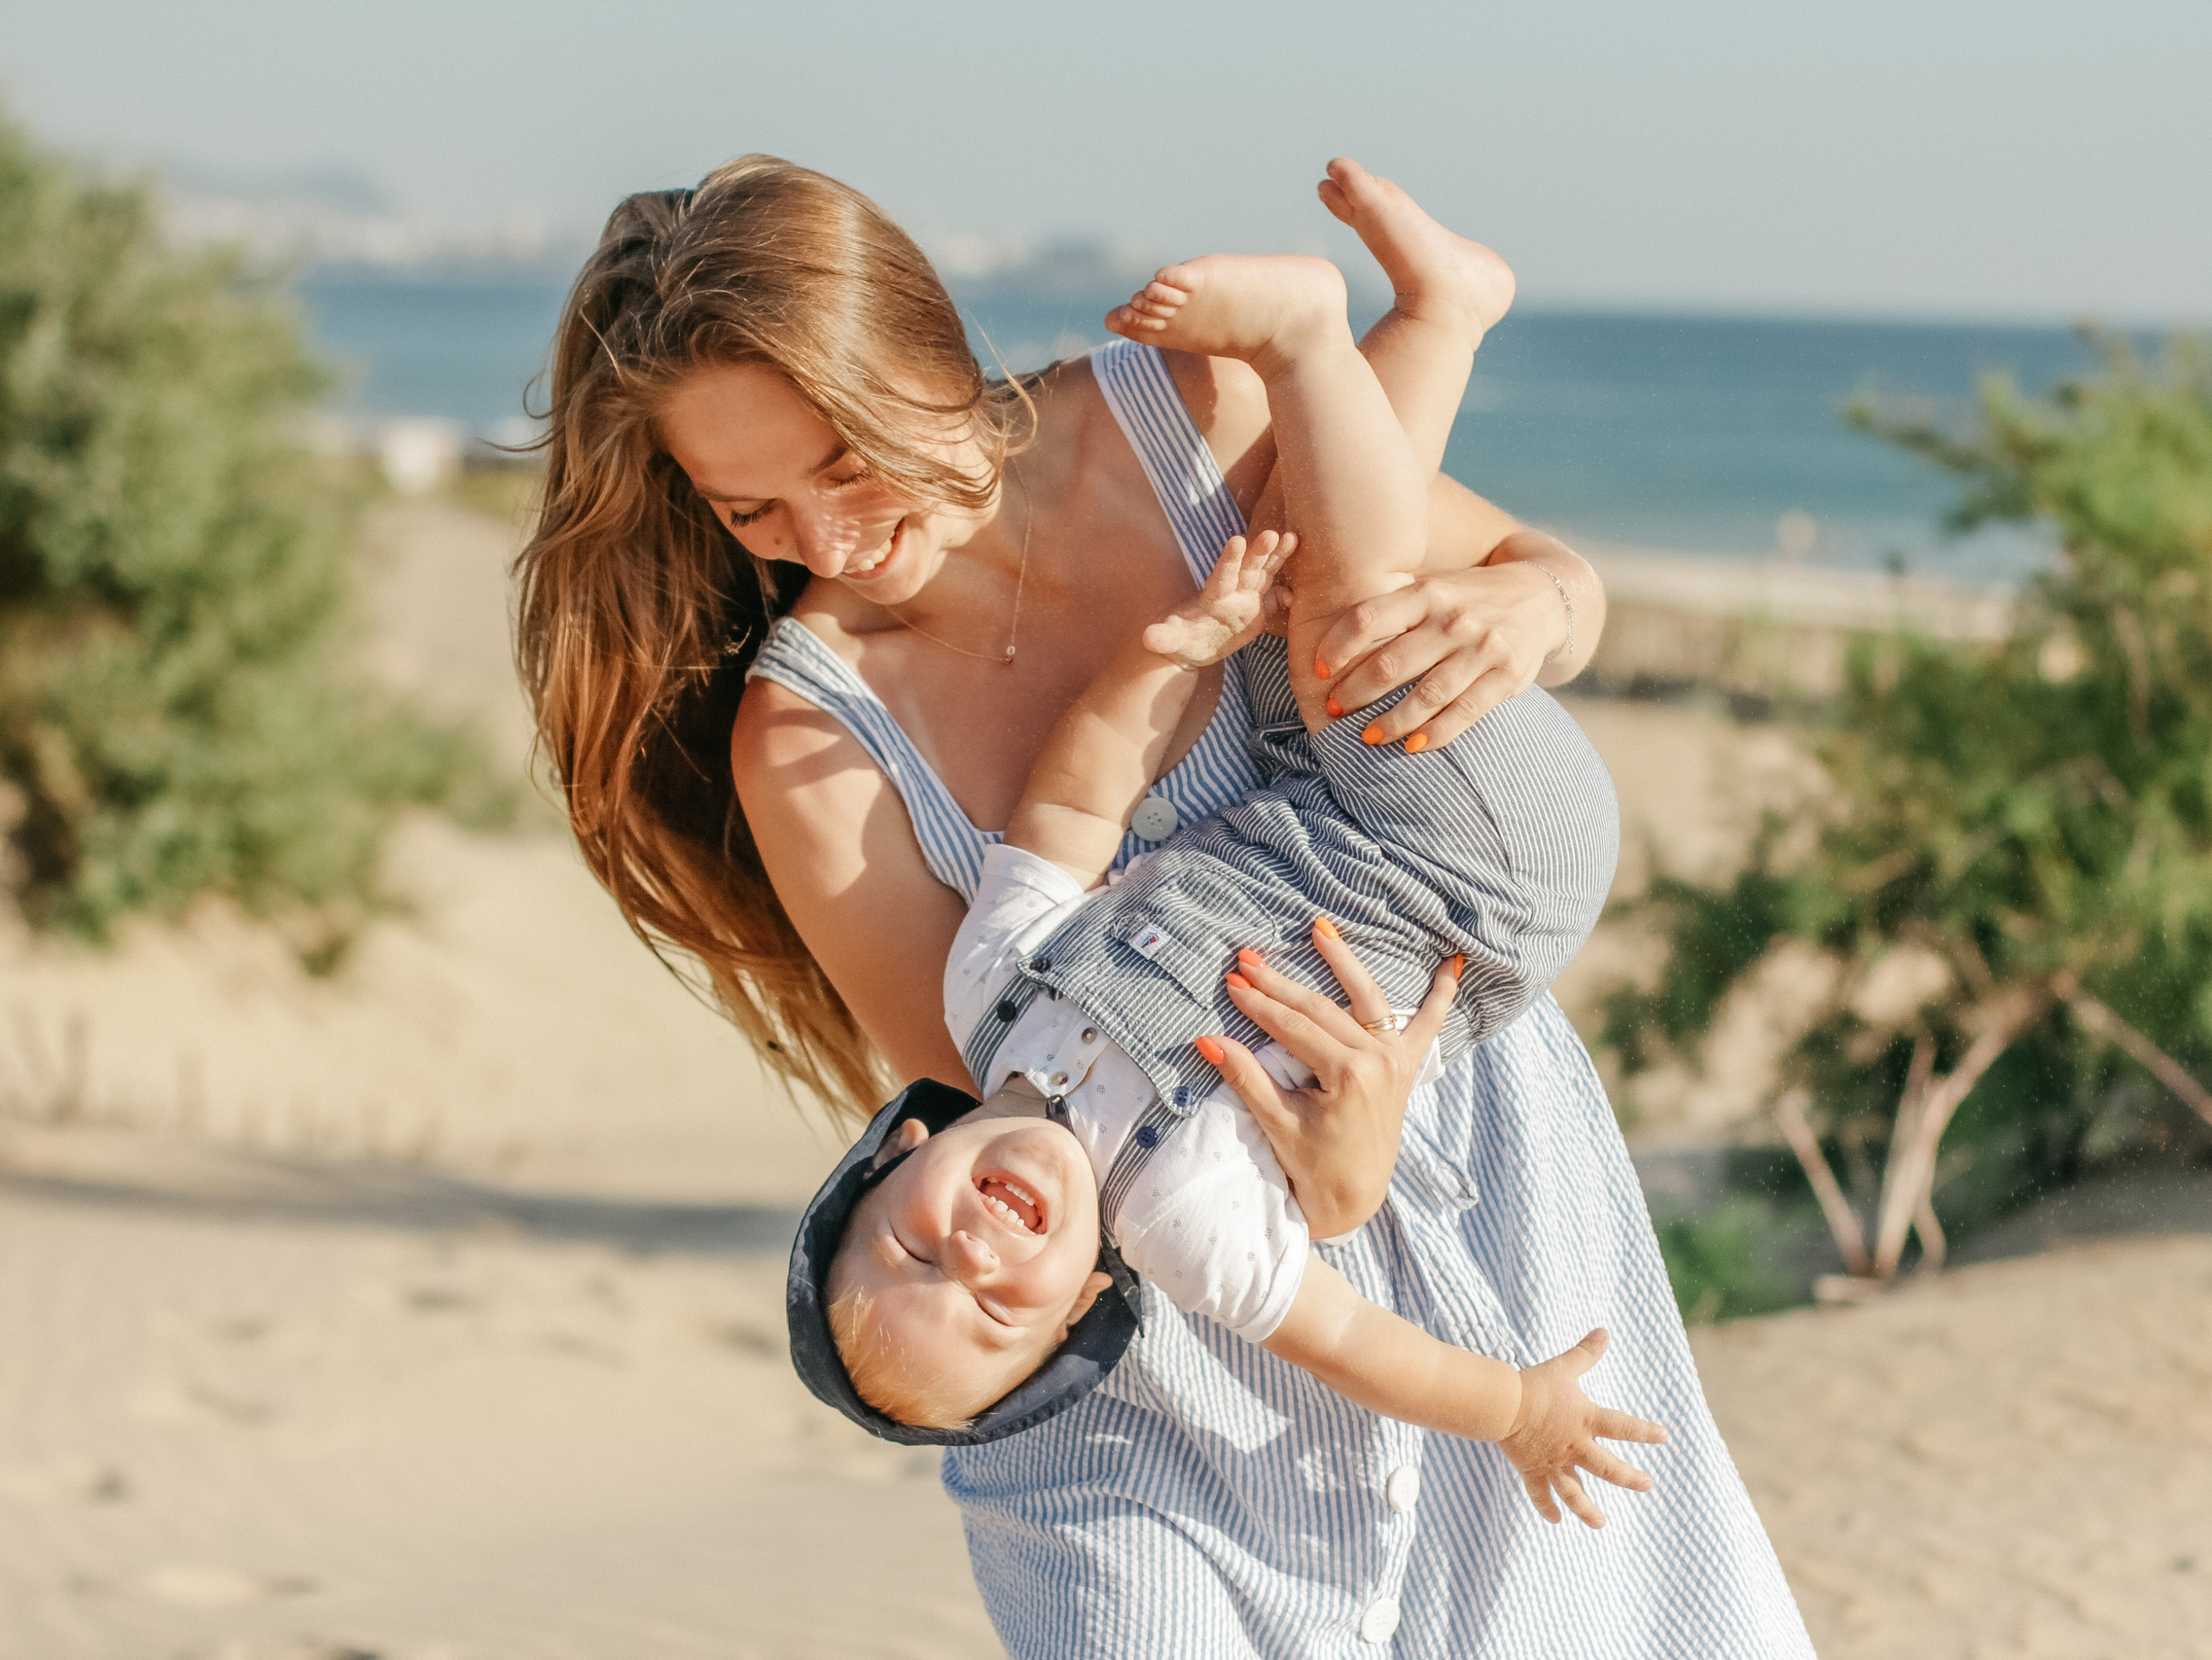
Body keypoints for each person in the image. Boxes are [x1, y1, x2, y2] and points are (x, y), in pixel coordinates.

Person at [517, 153, 1813, 1657]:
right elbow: (1000, 1103)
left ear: (925, 356)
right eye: (753, 511)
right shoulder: (806, 740)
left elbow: (1497, 571)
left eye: (847, 462)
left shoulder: (1180, 411)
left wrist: (1548, 599)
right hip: (1165, 1354)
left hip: (1471, 1161)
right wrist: (1328, 1193)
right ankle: (1431, 316)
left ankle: (1431, 315)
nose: (829, 541)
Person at [821, 248, 1660, 1525]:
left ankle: (1442, 314)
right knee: (1350, 622)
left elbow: (1070, 809)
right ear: (1081, 1311)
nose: (978, 1252)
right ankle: (1311, 342)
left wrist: (1171, 656)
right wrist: (1520, 1411)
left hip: (1312, 797)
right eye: (997, 1308)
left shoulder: (993, 991)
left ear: (896, 1155)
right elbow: (1353, 1346)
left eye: (916, 1247)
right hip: (1473, 873)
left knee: (1276, 533)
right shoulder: (1181, 1220)